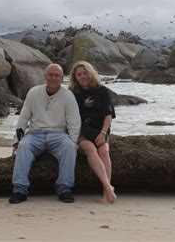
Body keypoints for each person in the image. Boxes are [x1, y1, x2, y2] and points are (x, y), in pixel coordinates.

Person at [10, 64, 81, 204]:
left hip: (59, 135)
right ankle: (20, 190)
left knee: (69, 147)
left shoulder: (68, 96)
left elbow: (74, 123)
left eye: (57, 75)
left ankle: (64, 189)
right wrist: (16, 141)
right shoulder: (33, 92)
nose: (53, 78)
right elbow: (23, 118)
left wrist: (73, 142)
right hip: (35, 134)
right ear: (45, 76)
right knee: (23, 147)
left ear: (62, 78)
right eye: (50, 74)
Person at [68, 61, 117, 204]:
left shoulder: (102, 91)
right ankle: (108, 188)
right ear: (75, 77)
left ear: (91, 73)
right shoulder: (72, 94)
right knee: (90, 148)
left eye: (85, 73)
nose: (83, 76)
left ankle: (104, 190)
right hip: (80, 131)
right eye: (79, 74)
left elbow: (108, 115)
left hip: (99, 129)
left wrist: (103, 133)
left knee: (104, 151)